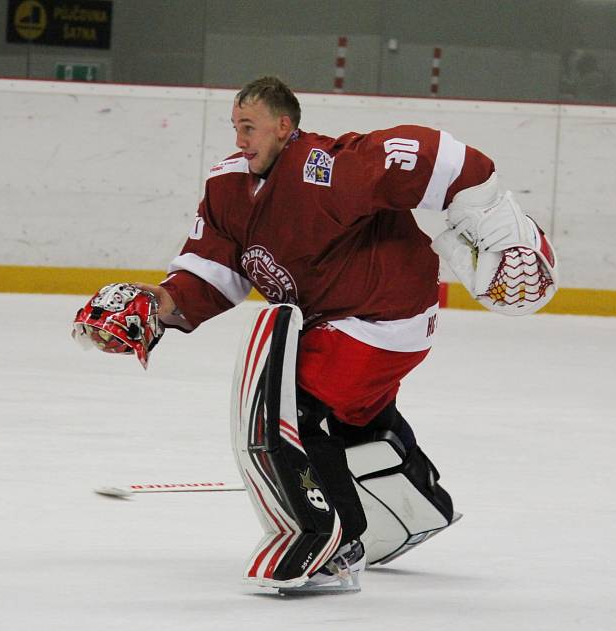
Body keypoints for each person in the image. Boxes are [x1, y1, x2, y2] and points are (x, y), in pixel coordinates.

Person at [73, 76, 557, 593]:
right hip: (334, 322)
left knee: (291, 410)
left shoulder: (325, 168)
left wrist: (483, 207)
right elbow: (211, 274)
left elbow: (430, 151)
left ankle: (335, 541)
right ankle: (419, 500)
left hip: (384, 317)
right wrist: (157, 306)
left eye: (250, 127)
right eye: (235, 127)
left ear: (285, 127)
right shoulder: (227, 187)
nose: (240, 139)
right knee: (353, 416)